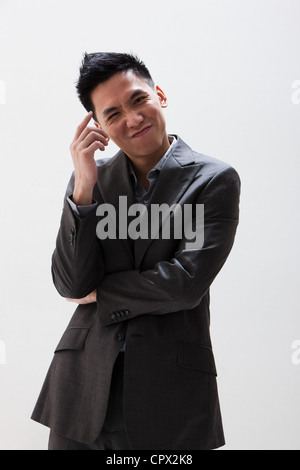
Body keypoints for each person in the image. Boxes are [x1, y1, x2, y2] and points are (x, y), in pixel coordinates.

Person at [31, 52, 241, 450]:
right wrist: (84, 189)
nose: (132, 118)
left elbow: (184, 284)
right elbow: (72, 283)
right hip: (80, 389)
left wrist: (104, 294)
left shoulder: (214, 180)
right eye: (113, 114)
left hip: (169, 395)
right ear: (100, 127)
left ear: (159, 95)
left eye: (138, 100)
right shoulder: (90, 183)